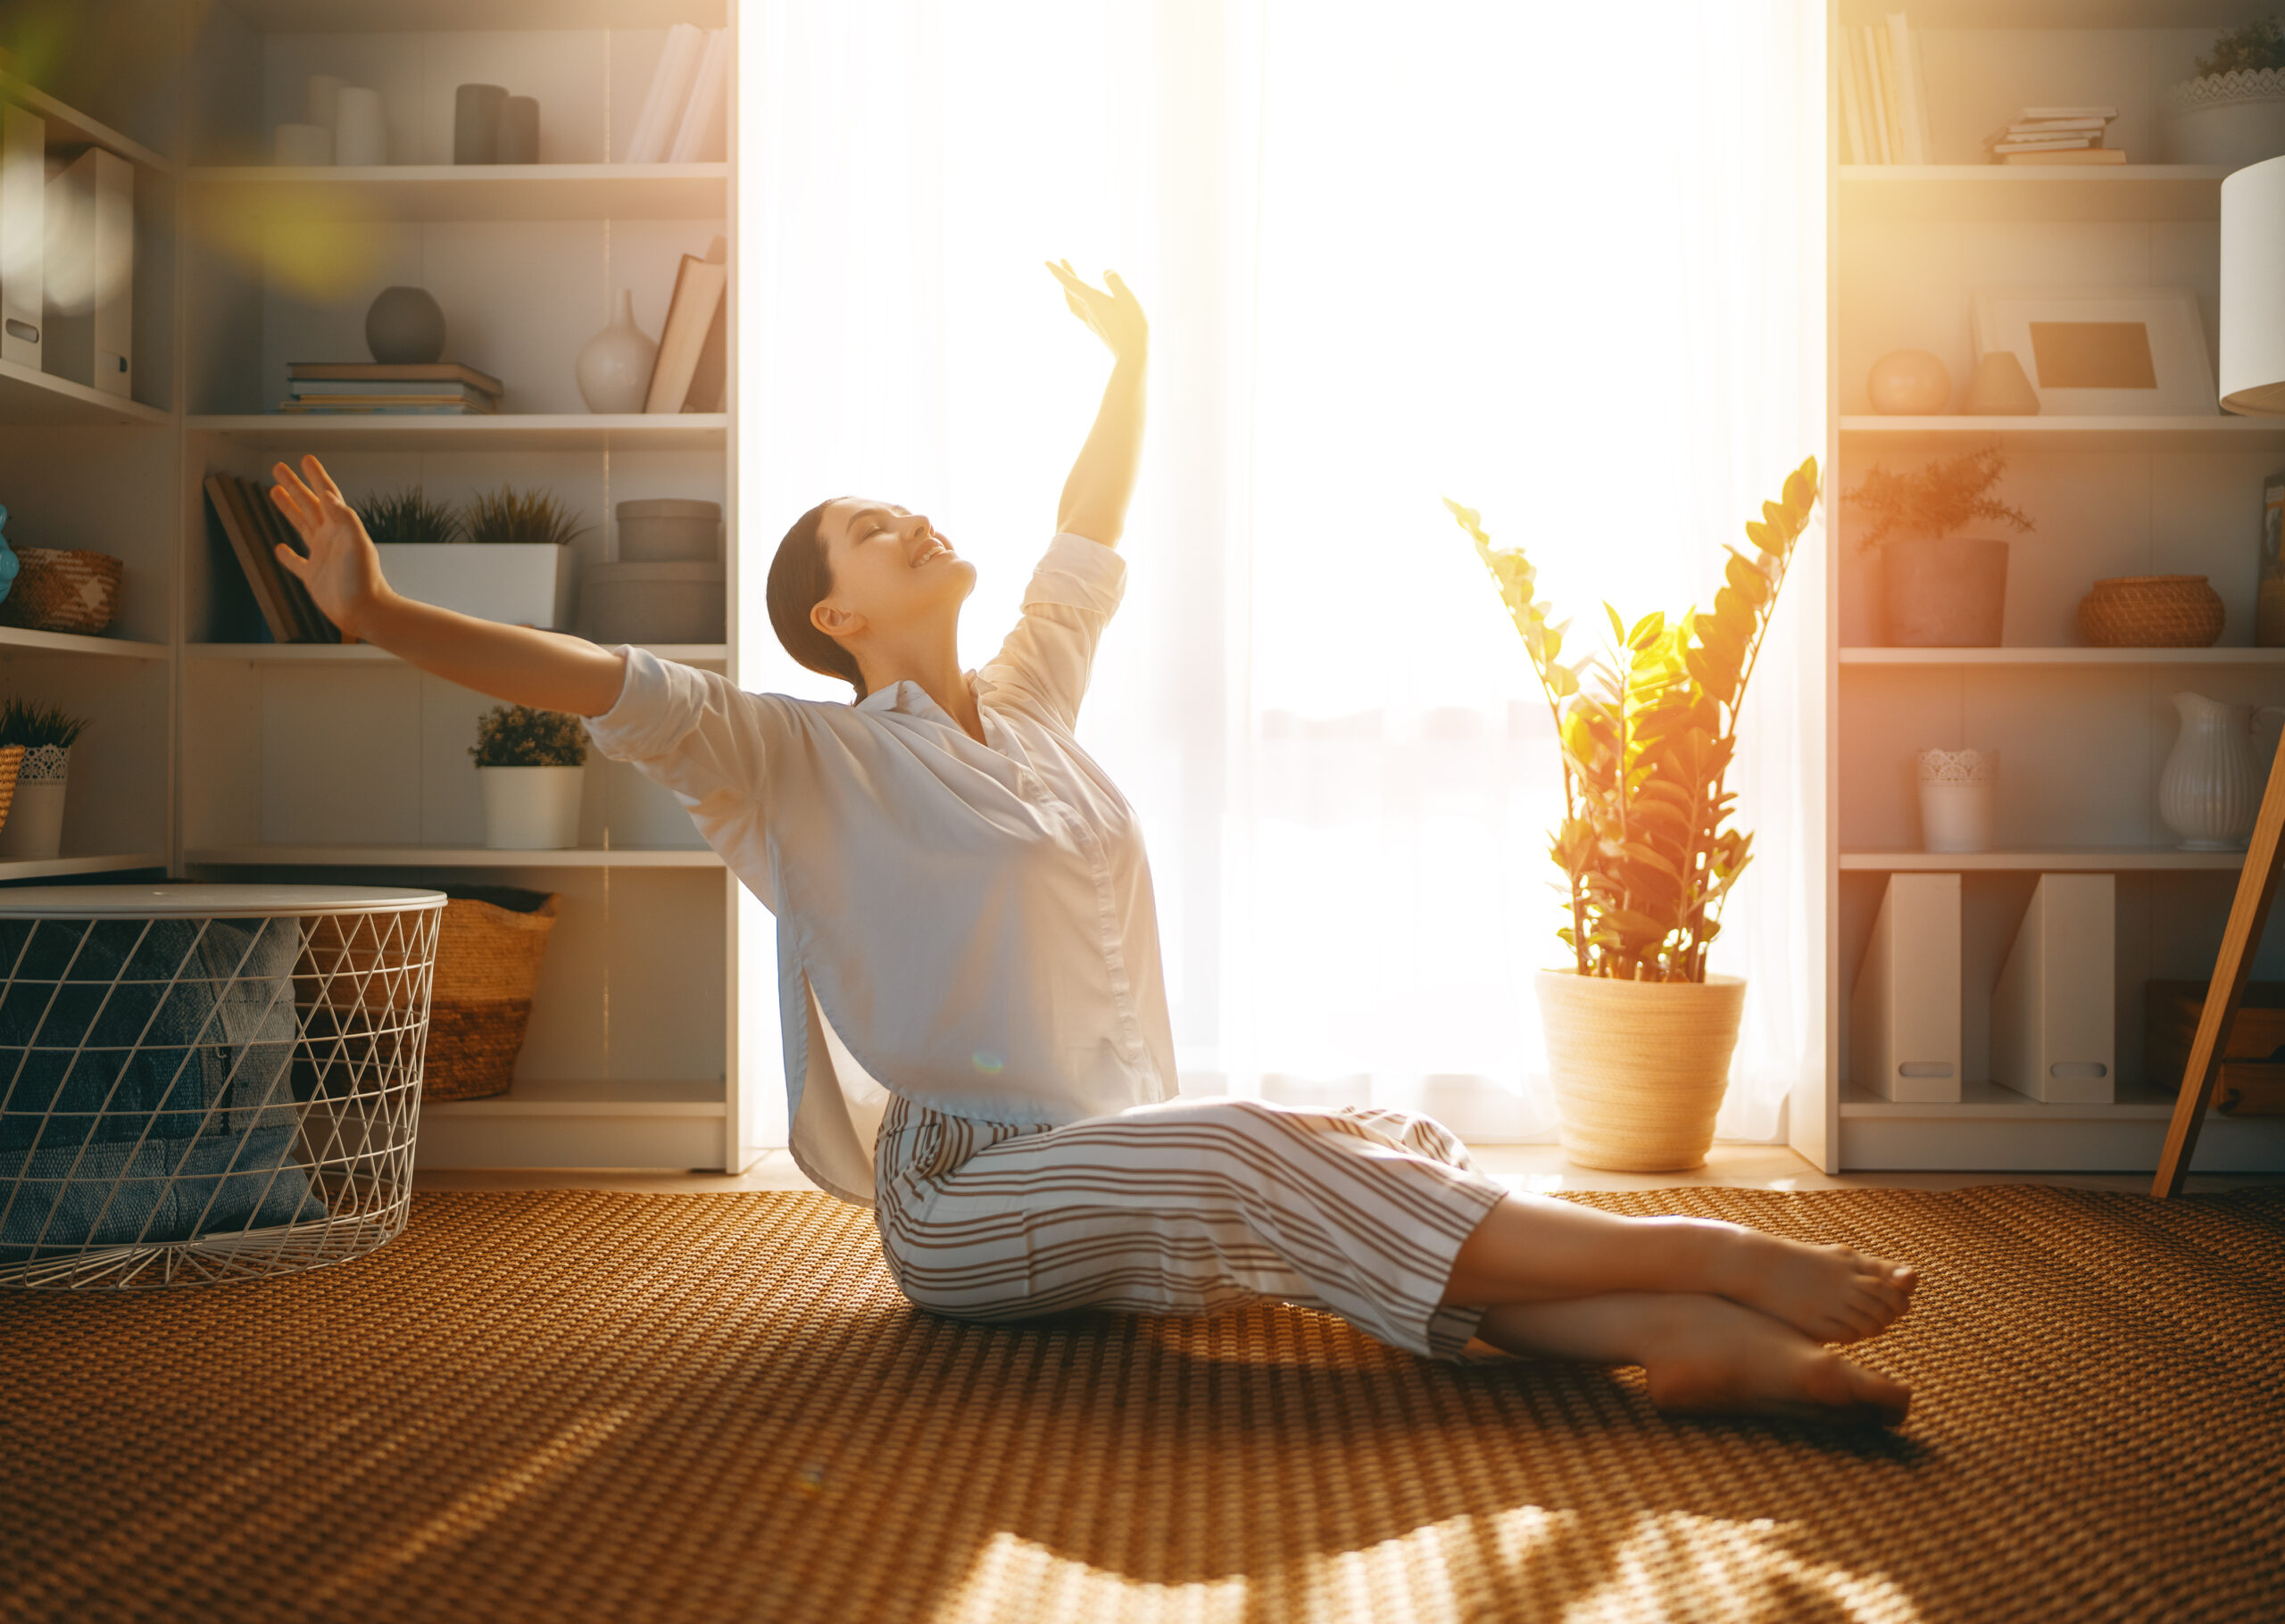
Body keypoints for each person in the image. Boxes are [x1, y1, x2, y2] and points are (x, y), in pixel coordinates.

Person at [265, 261, 1917, 1426]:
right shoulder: (793, 759)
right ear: (836, 616)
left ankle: (1665, 1335)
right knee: (1256, 1146)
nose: (913, 517)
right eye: (872, 528)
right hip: (966, 1197)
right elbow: (595, 678)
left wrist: (1130, 363)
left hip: (1109, 1151)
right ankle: (1706, 1258)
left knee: (1370, 1133)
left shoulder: (1030, 709)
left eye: (905, 504)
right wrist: (383, 611)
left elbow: (1084, 536)